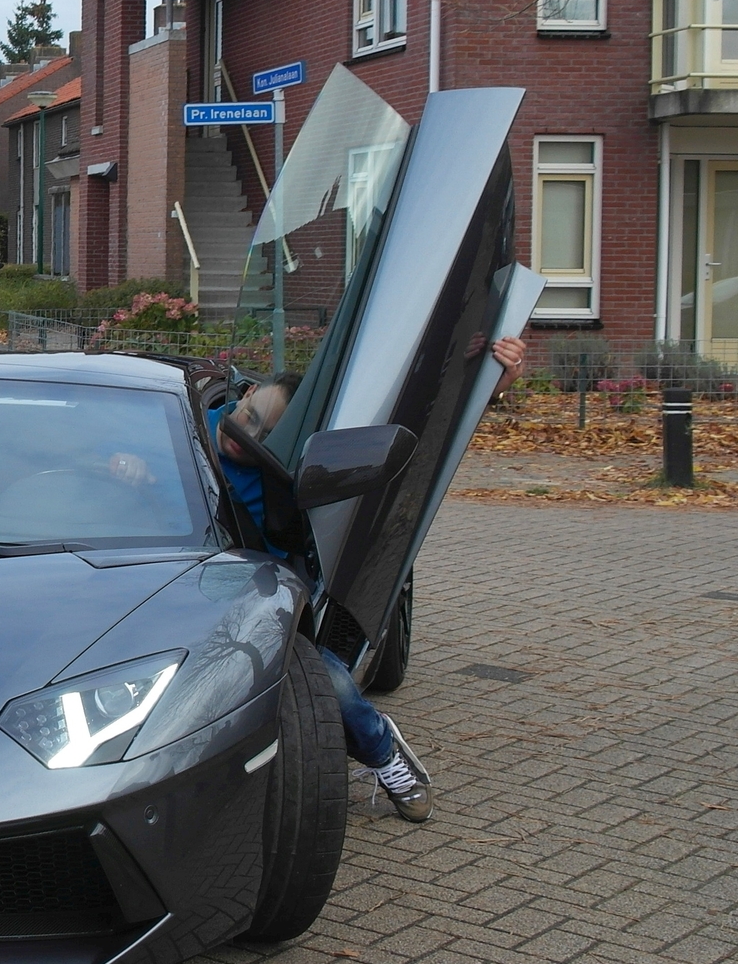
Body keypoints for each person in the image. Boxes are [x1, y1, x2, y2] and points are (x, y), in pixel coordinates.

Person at [209, 333, 527, 827]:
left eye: (264, 434)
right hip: (182, 584)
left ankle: (385, 756)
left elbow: (425, 445)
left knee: (326, 680)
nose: (242, 433)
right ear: (246, 394)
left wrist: (491, 384)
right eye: (247, 416)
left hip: (261, 594)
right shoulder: (183, 428)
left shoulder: (290, 470)